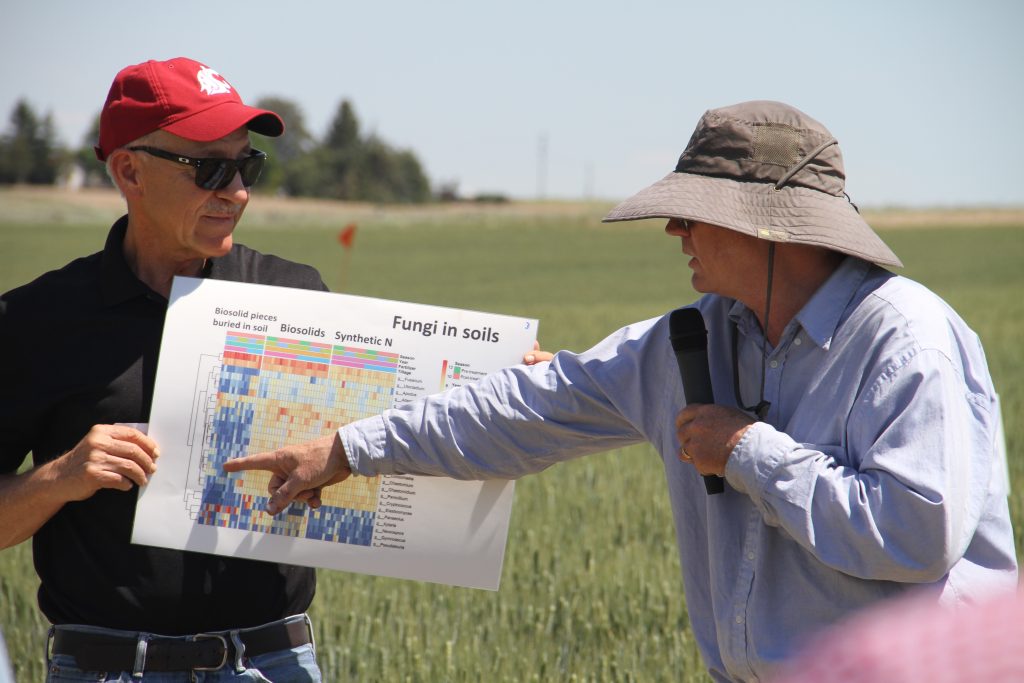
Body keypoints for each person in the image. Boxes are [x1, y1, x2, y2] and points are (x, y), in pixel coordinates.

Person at [224, 100, 1017, 681]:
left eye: (695, 214)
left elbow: (916, 535)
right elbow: (526, 410)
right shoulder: (691, 338)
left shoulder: (905, 339)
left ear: (771, 228)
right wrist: (348, 447)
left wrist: (747, 449)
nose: (676, 233)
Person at [0, 57, 327, 681]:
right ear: (129, 170)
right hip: (106, 668)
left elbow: (397, 433)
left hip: (272, 662)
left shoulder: (294, 297)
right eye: (210, 168)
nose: (236, 192)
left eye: (246, 165)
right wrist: (61, 478)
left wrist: (501, 381)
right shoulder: (33, 321)